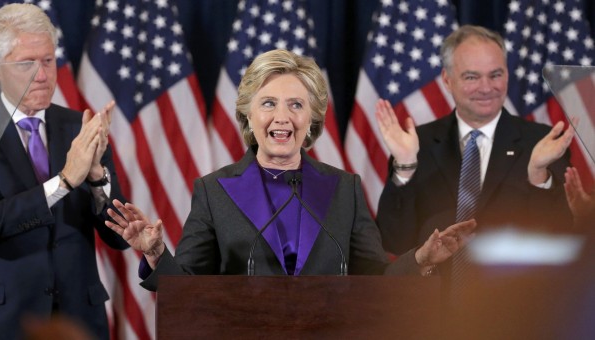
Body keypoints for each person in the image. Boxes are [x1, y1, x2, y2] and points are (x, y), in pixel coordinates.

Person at [104, 49, 476, 291]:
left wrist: (420, 260)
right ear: (249, 113)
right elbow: (184, 288)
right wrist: (155, 253)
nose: (282, 117)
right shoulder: (214, 191)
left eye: (295, 104)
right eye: (268, 103)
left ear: (312, 116)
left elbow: (373, 278)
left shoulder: (343, 187)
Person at [0, 4, 128, 339]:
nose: (42, 75)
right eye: (26, 63)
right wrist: (65, 181)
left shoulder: (79, 127)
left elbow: (117, 238)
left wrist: (98, 177)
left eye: (48, 60)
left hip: (77, 320)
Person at [374, 25, 574, 256]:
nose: (486, 87)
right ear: (447, 81)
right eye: (472, 77)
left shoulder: (541, 142)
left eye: (495, 75)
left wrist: (538, 174)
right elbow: (393, 241)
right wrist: (405, 166)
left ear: (507, 75)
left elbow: (559, 235)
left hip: (515, 288)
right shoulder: (418, 144)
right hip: (435, 289)